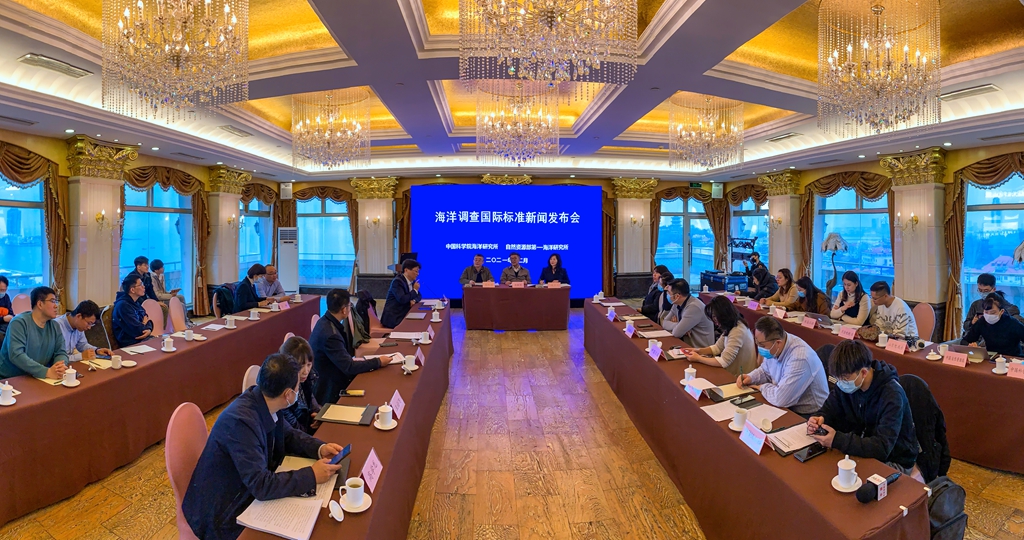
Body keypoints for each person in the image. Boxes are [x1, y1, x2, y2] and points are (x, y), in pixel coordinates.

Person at [182, 353, 345, 540]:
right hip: (223, 510)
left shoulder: (265, 398)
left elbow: (288, 434)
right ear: (288, 394)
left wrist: (319, 448)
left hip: (245, 488)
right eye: (297, 387)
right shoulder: (240, 423)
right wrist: (311, 475)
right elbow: (261, 485)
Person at [807, 340, 923, 481]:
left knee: (849, 482)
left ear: (863, 372)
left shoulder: (892, 395)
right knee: (822, 471)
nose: (840, 383)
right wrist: (819, 418)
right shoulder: (846, 383)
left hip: (894, 459)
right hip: (860, 447)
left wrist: (837, 440)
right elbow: (829, 409)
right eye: (838, 379)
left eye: (844, 379)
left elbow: (881, 448)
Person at [737, 316, 828, 416]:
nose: (759, 348)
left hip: (810, 414)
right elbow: (765, 370)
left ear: (778, 343)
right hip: (788, 405)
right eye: (757, 343)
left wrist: (762, 387)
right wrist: (751, 377)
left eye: (762, 345)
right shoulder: (775, 346)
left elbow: (780, 399)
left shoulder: (800, 358)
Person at [311, 289, 385, 405]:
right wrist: (378, 362)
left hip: (331, 375)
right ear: (344, 310)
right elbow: (349, 367)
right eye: (350, 305)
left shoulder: (324, 321)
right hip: (330, 389)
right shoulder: (331, 335)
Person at [0, 286, 69, 379]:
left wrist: (59, 367)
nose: (56, 306)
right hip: (11, 379)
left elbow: (61, 352)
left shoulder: (55, 326)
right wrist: (46, 372)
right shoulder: (19, 323)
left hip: (38, 377)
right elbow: (16, 355)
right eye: (52, 301)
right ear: (40, 304)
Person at [682, 296, 758, 376]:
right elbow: (717, 348)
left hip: (740, 377)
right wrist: (697, 351)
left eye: (715, 317)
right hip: (734, 373)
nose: (714, 322)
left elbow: (724, 361)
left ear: (723, 314)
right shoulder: (731, 325)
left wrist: (698, 358)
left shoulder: (738, 330)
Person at [279, 336, 321, 435]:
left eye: (309, 365)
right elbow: (295, 432)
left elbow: (314, 406)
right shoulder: (282, 392)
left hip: (307, 431)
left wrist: (319, 417)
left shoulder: (307, 378)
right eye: (301, 366)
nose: (306, 371)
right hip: (298, 437)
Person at [961, 292, 1024, 357]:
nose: (989, 315)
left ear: (1001, 311)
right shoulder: (982, 322)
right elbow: (965, 340)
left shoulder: (1012, 323)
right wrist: (970, 345)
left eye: (993, 312)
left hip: (1013, 358)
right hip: (991, 357)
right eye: (986, 312)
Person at [661, 279, 715, 348]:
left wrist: (680, 328)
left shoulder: (694, 307)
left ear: (677, 296)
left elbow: (676, 333)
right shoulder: (676, 303)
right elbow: (664, 323)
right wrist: (679, 325)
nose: (667, 295)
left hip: (700, 350)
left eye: (669, 293)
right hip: (686, 345)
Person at [113, 275, 155, 348]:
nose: (144, 286)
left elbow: (147, 318)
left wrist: (148, 329)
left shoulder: (135, 302)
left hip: (141, 340)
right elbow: (138, 330)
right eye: (140, 284)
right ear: (132, 290)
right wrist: (144, 325)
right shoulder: (123, 305)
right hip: (130, 343)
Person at [381, 259, 422, 328]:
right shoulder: (397, 282)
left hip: (404, 313)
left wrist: (414, 300)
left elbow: (419, 295)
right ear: (406, 270)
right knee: (417, 325)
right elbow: (402, 299)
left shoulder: (411, 281)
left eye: (418, 272)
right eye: (416, 271)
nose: (418, 274)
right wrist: (415, 290)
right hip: (394, 317)